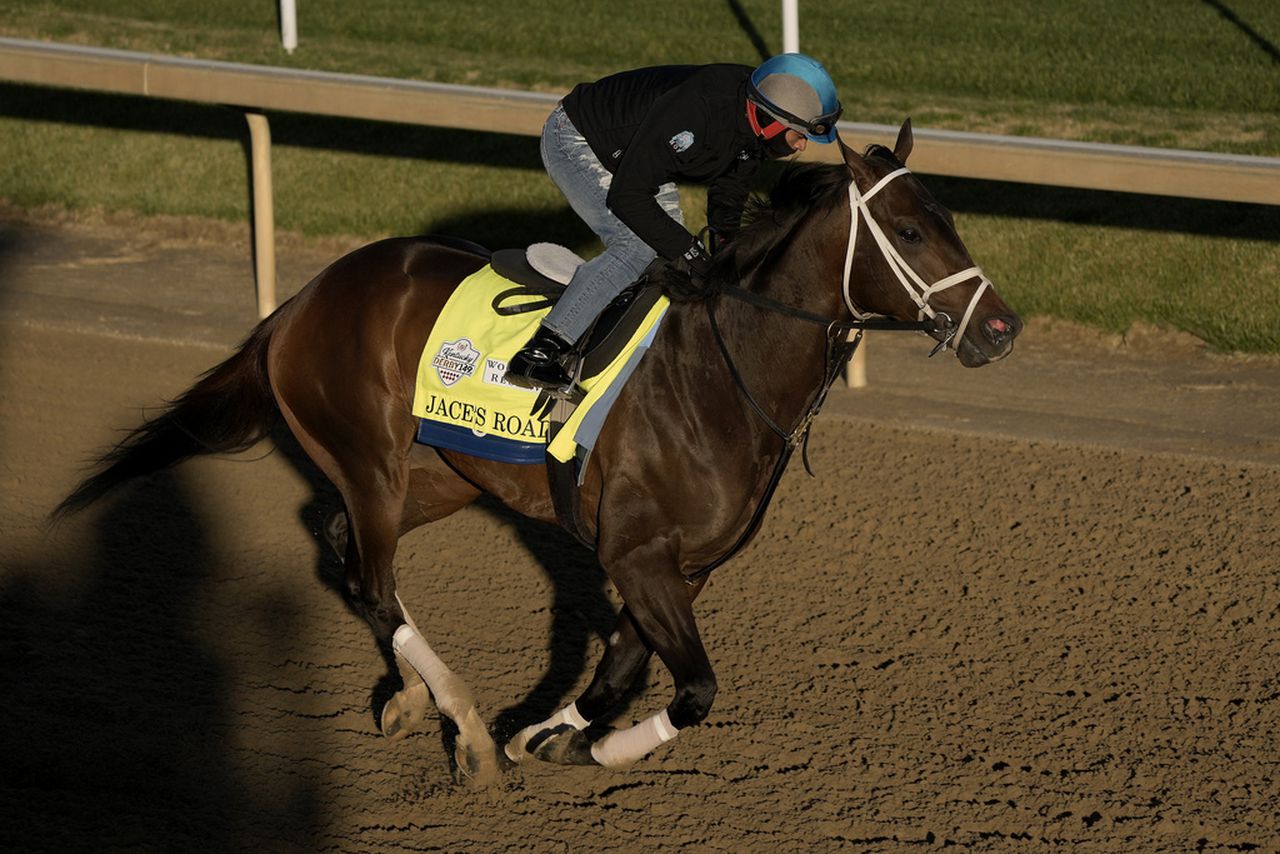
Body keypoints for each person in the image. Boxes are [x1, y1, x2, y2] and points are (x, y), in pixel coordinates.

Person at [503, 52, 843, 392]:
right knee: (637, 246)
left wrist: (726, 254)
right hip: (578, 139)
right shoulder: (699, 110)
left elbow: (730, 190)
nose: (801, 145)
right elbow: (627, 196)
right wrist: (689, 250)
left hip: (637, 155)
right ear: (770, 119)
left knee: (670, 258)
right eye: (798, 134)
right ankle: (541, 351)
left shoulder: (754, 112)